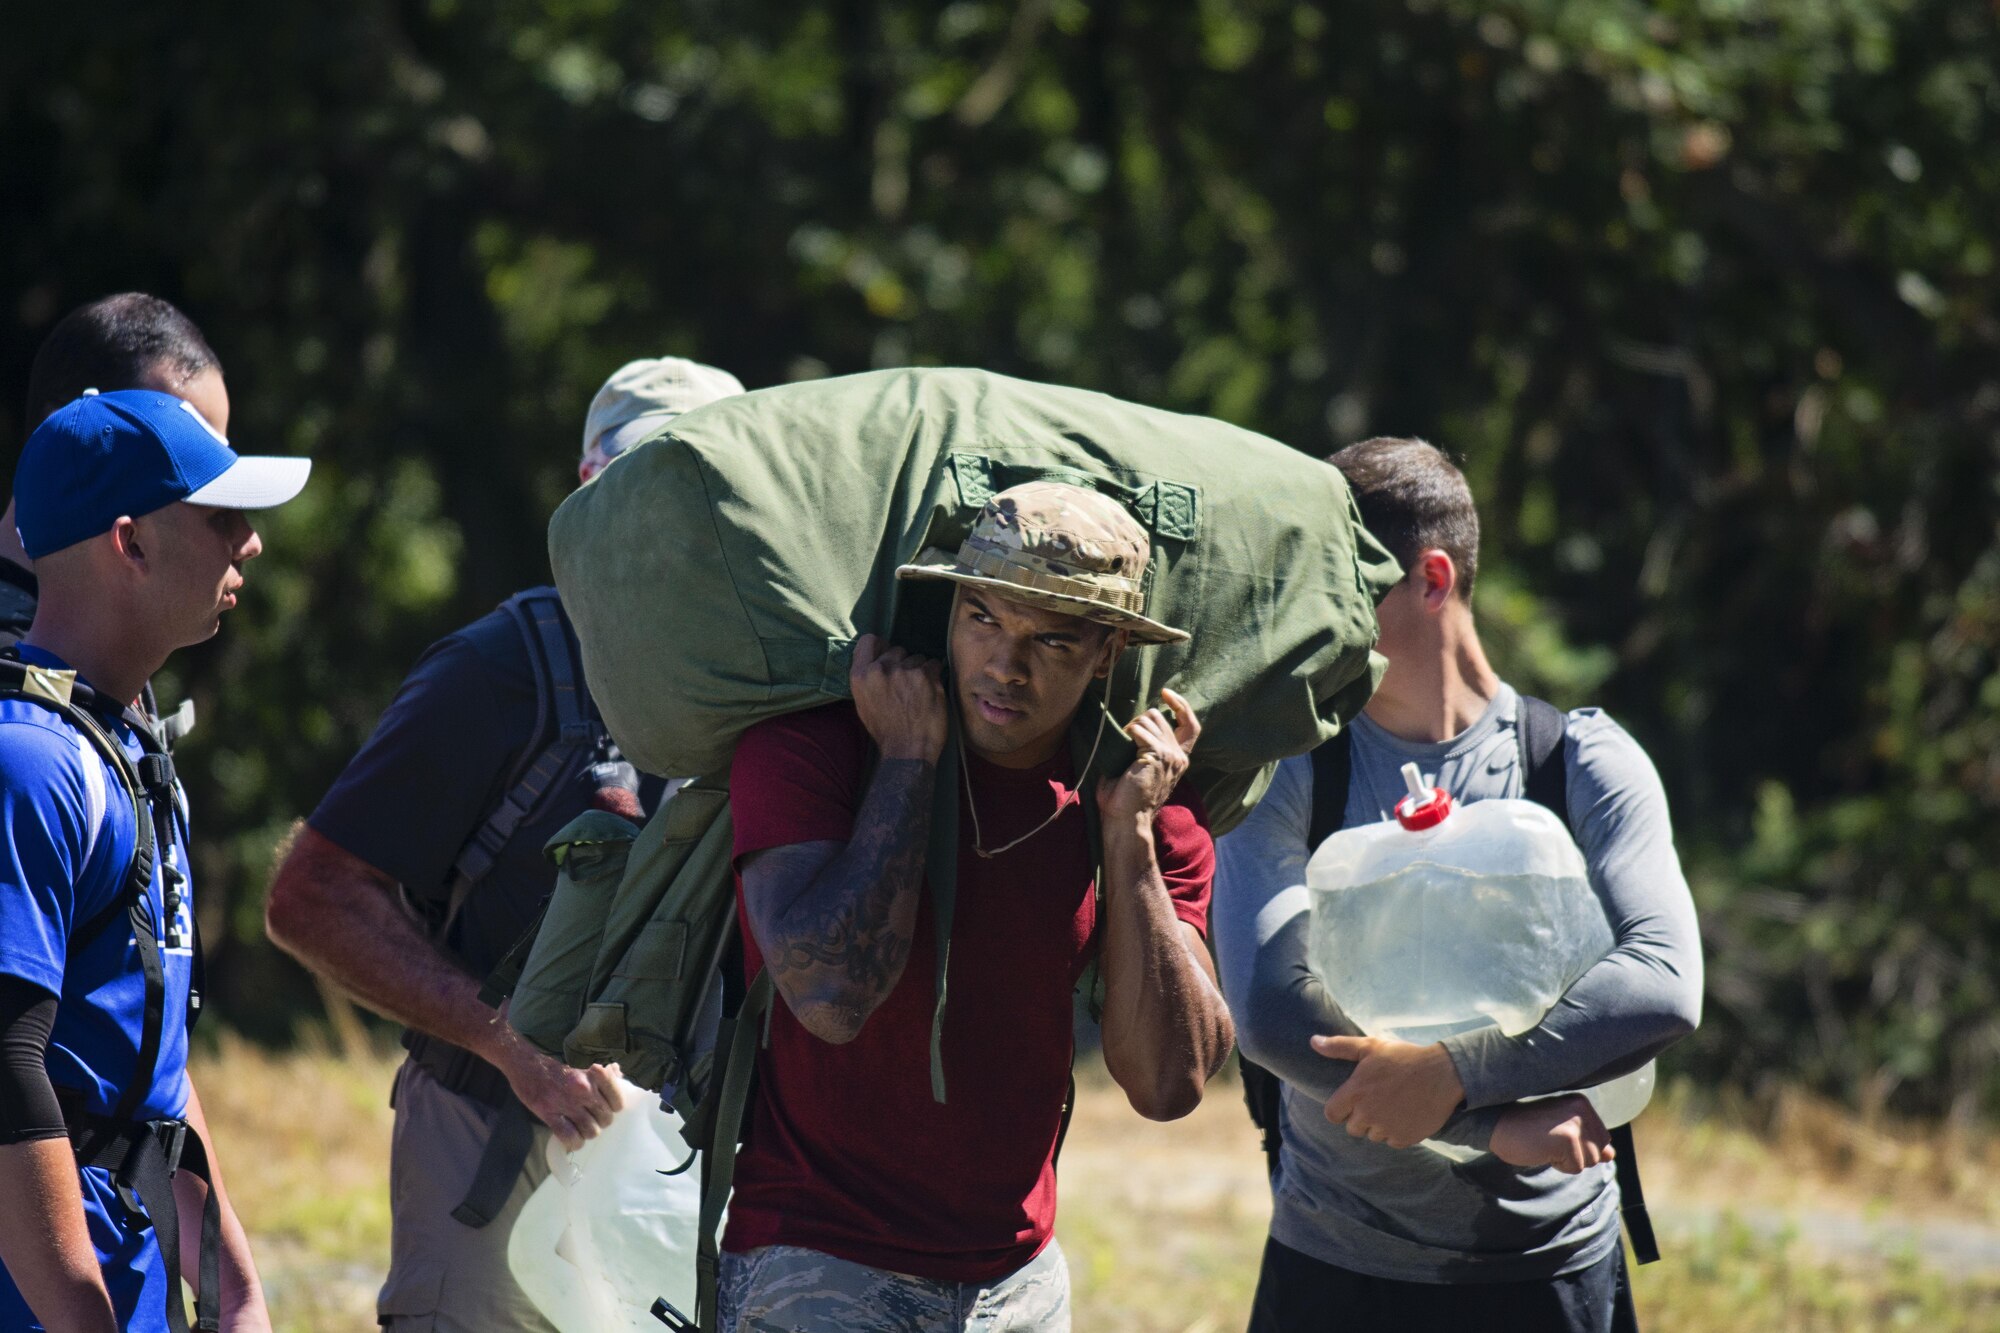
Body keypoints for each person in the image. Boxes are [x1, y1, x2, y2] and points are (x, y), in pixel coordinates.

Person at [263, 356, 746, 1333]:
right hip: (488, 1143)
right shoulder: (499, 670)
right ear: (589, 488)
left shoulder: (770, 671)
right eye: (649, 477)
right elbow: (312, 894)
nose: (673, 512)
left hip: (690, 1158)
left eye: (705, 480)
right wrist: (506, 1038)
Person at [1214, 437, 1703, 1333]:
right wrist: (1489, 1123)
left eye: (1341, 588)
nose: (1306, 620)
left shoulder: (1580, 763)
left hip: (1556, 1274)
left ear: (1432, 579)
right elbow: (1269, 1014)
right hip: (1338, 1267)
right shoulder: (1285, 768)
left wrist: (1456, 1075)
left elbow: (1665, 981)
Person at [719, 481, 1234, 1332]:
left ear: (1107, 652)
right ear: (948, 608)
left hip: (1019, 1281)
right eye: (983, 618)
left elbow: (1169, 1083)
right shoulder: (816, 748)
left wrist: (1129, 835)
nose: (1005, 665)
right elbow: (832, 999)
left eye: (1052, 640)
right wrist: (910, 758)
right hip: (816, 1255)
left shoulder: (1145, 801)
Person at [0, 388, 308, 1332]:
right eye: (223, 517)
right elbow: (6, 1063)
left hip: (121, 1268)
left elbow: (154, 1065)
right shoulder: (30, 761)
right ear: (129, 543)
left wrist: (232, 1279)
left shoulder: (123, 745)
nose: (250, 543)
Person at [3, 293, 232, 649]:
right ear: (66, 433)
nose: (246, 541)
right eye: (173, 439)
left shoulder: (108, 647)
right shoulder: (23, 667)